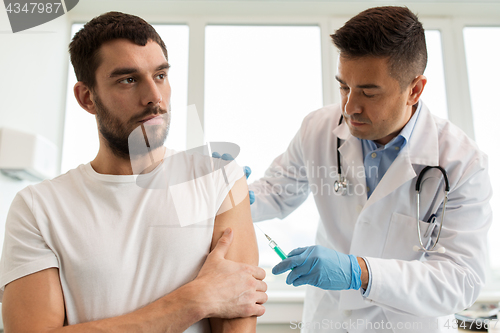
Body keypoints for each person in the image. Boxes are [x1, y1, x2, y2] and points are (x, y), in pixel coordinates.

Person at [0, 12, 267, 333]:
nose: (154, 97)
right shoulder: (38, 207)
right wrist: (194, 300)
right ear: (87, 98)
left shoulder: (219, 179)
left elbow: (236, 318)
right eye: (128, 79)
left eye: (160, 75)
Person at [249, 6, 492, 333]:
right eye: (344, 87)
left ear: (415, 90)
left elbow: (460, 279)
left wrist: (358, 272)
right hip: (328, 321)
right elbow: (277, 192)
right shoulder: (318, 128)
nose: (349, 107)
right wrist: (237, 196)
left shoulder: (461, 163)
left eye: (368, 92)